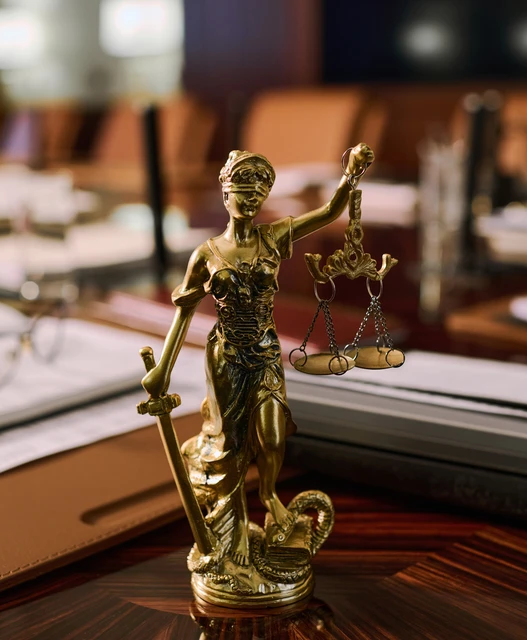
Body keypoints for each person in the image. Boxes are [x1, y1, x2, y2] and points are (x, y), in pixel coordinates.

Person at [141, 143, 374, 567]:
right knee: (230, 445)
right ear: (225, 193)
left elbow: (327, 213)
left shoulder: (275, 236)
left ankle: (268, 494)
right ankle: (231, 541)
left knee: (272, 436)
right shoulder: (206, 254)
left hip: (266, 354)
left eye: (257, 192)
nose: (249, 199)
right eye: (240, 190)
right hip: (227, 357)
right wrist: (163, 370)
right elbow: (184, 312)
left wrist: (351, 175)